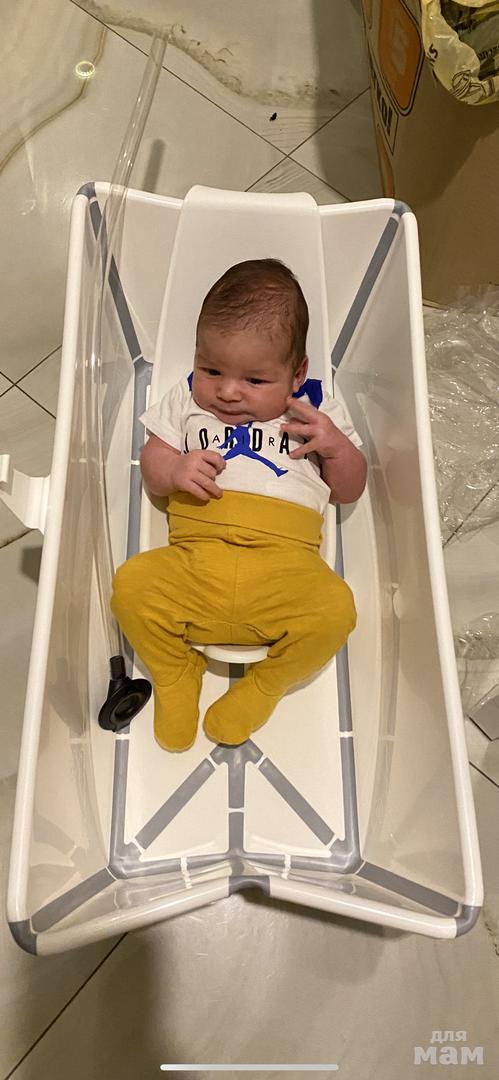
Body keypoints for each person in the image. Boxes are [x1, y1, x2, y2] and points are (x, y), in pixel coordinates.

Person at [111, 259, 367, 751]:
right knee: (131, 588)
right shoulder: (186, 399)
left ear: (296, 374)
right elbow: (153, 464)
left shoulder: (316, 411)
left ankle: (265, 686)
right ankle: (176, 671)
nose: (227, 392)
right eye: (211, 369)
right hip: (195, 561)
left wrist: (335, 447)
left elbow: (348, 490)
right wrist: (175, 469)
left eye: (254, 380)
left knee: (336, 612)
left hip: (286, 570)